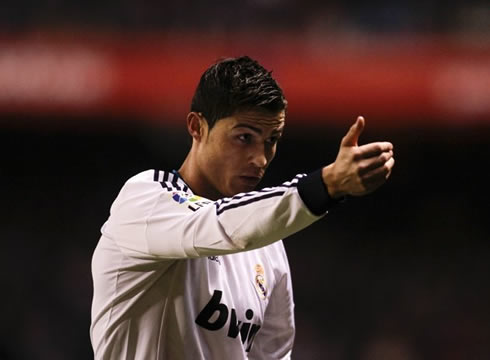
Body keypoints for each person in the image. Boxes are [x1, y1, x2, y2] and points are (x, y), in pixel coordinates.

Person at [90, 56, 395, 359]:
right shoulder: (145, 199)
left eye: (271, 140)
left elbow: (271, 355)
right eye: (244, 138)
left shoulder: (268, 246)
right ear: (197, 127)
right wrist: (325, 185)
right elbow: (218, 226)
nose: (260, 159)